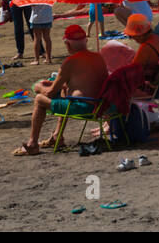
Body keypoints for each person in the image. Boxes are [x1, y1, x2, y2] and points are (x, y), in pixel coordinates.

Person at [12, 25, 108, 155]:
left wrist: (39, 87)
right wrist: (58, 84)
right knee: (64, 90)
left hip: (83, 107)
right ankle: (57, 135)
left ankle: (32, 144)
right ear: (85, 41)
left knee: (40, 99)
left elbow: (50, 93)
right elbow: (82, 82)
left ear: (67, 44)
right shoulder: (98, 57)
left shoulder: (70, 62)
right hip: (101, 106)